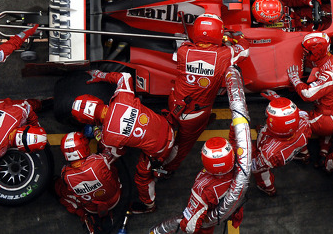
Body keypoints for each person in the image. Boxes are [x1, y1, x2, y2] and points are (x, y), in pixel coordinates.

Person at [70, 71, 174, 214]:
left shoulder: (108, 137)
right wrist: (100, 75)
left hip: (160, 150)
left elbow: (117, 153)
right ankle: (167, 169)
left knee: (142, 178)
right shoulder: (122, 96)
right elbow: (124, 76)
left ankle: (148, 206)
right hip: (168, 126)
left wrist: (97, 134)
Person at [161, 13, 249, 175]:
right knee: (182, 145)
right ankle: (166, 169)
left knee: (171, 135)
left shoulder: (183, 51)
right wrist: (238, 36)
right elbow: (244, 49)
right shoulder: (223, 55)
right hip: (195, 114)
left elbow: (192, 45)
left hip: (175, 103)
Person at [286, 32, 333, 164]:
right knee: (325, 124)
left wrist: (295, 80)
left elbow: (308, 95)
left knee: (290, 120)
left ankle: (304, 153)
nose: (305, 53)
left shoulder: (328, 74)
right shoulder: (328, 59)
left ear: (317, 52)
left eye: (307, 51)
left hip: (327, 120)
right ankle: (324, 151)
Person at [55, 131, 124, 232]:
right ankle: (106, 214)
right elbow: (113, 151)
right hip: (115, 197)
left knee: (58, 188)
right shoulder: (98, 161)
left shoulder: (64, 174)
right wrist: (98, 134)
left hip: (91, 208)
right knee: (112, 168)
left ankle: (85, 216)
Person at [177, 136, 244, 234]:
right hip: (235, 208)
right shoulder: (241, 162)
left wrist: (183, 224)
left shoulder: (203, 190)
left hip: (211, 217)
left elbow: (190, 227)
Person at [251, 95, 311, 196]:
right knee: (300, 140)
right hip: (297, 143)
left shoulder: (268, 153)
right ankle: (304, 155)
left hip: (276, 157)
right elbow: (300, 113)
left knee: (260, 170)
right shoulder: (304, 121)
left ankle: (268, 188)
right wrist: (280, 101)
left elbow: (255, 167)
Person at [251, 0, 326, 31]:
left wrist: (307, 1)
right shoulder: (267, 30)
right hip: (303, 28)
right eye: (280, 14)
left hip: (301, 12)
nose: (283, 13)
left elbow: (291, 0)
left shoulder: (275, 2)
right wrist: (310, 29)